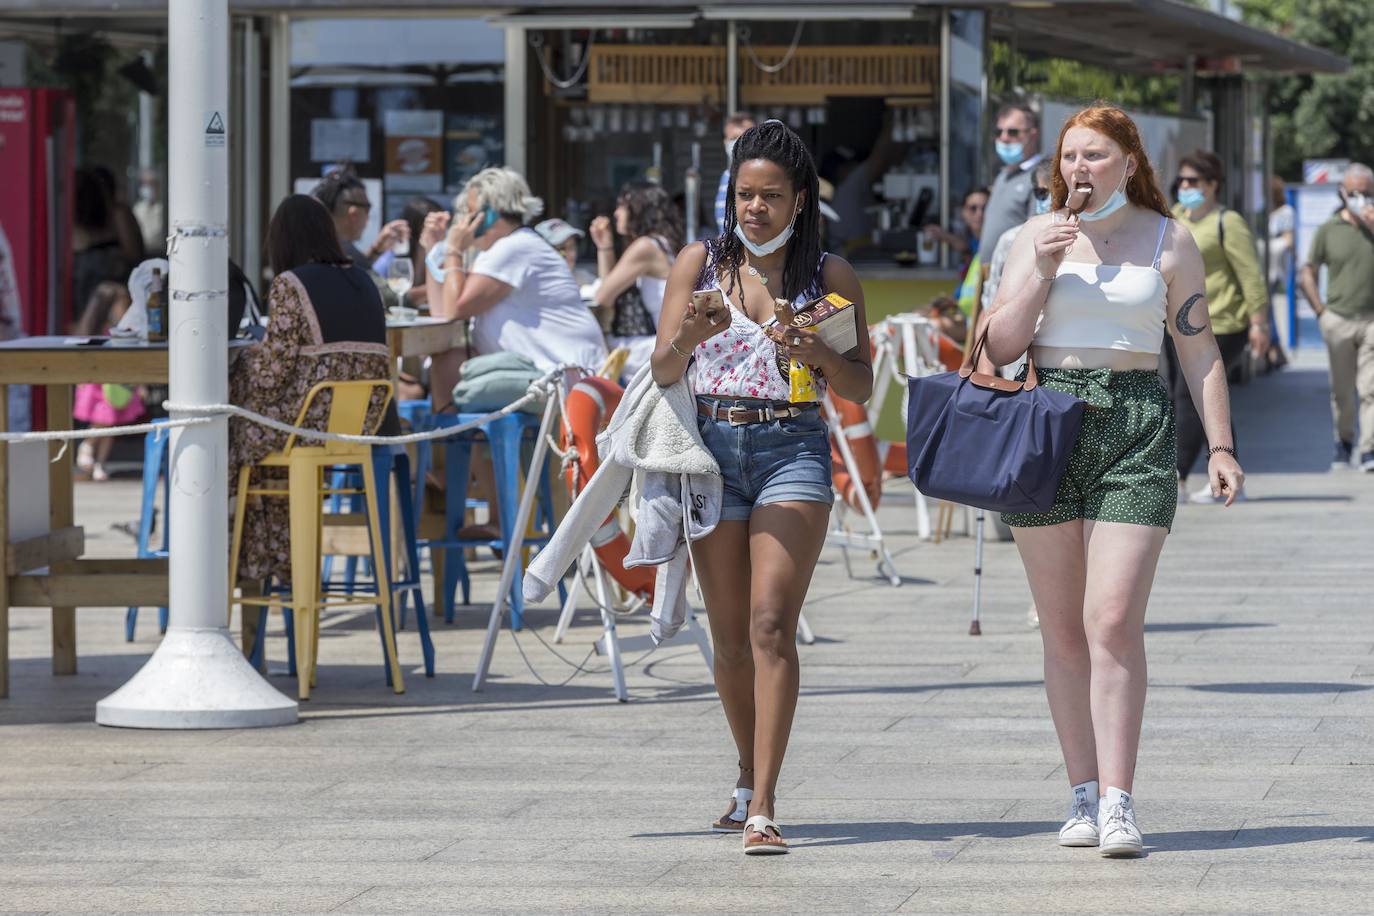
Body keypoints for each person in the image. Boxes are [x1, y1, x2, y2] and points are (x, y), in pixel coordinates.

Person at [986, 104, 1245, 858]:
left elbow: (1198, 353)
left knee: (1110, 619)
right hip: (1045, 420)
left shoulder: (1169, 239)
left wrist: (1222, 446)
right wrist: (1040, 268)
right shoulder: (1033, 237)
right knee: (1063, 628)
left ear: (1128, 163)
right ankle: (1081, 790)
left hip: (1134, 421)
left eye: (1095, 157)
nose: (1079, 171)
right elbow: (1000, 343)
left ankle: (1120, 799)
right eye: (1069, 158)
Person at [652, 120, 873, 855]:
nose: (754, 209)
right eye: (745, 195)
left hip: (792, 449)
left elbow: (862, 389)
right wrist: (693, 331)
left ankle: (765, 806)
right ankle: (744, 775)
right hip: (712, 452)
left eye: (770, 197)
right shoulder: (701, 262)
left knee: (771, 622)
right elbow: (662, 369)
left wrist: (816, 350)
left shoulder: (829, 277)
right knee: (729, 640)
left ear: (800, 200)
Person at [228, 194, 395, 582]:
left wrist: (245, 355)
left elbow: (271, 375)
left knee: (231, 431)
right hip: (359, 428)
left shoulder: (291, 284)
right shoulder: (364, 280)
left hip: (305, 427)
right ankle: (281, 562)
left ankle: (248, 561)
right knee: (258, 434)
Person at [422, 166, 607, 407]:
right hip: (556, 372)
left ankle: (457, 440)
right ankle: (460, 440)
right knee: (446, 361)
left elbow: (454, 308)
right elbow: (441, 312)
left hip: (563, 376)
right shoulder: (514, 246)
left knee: (456, 377)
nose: (462, 221)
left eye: (468, 212)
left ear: (488, 214)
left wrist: (454, 250)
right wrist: (433, 251)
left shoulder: (514, 248)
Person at [1167, 150, 1269, 503]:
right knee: (1210, 401)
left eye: (1193, 181)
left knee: (1189, 397)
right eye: (1181, 180)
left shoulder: (1228, 222)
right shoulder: (1173, 218)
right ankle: (1229, 475)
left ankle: (1176, 476)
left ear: (1212, 185)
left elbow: (1250, 276)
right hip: (1174, 325)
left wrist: (1259, 323)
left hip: (1223, 323)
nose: (1185, 187)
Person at [1299, 162, 1374, 472]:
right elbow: (1308, 271)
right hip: (1338, 318)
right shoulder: (1329, 229)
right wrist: (1320, 311)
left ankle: (1369, 449)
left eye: (1366, 193)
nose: (1359, 198)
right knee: (1342, 390)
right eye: (1353, 192)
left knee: (1370, 388)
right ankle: (1343, 443)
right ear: (1342, 193)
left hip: (1372, 320)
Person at [589, 181, 683, 379]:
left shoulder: (645, 247)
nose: (616, 213)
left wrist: (604, 248)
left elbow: (603, 296)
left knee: (593, 346)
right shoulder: (665, 243)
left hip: (661, 347)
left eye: (622, 206)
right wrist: (604, 246)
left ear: (638, 209)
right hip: (671, 343)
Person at [72, 282, 146, 481]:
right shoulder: (97, 331)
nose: (124, 309)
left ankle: (99, 463)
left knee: (111, 425)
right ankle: (87, 446)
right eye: (121, 304)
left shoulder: (121, 329)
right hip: (97, 384)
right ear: (109, 306)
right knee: (104, 420)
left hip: (115, 383)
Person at [309, 168, 407, 308]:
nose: (368, 219)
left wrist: (376, 250)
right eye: (367, 209)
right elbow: (390, 298)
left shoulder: (318, 244)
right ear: (353, 214)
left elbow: (357, 270)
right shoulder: (340, 249)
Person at [982, 160, 1055, 317]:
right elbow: (992, 304)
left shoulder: (1082, 238)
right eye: (1041, 193)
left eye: (1058, 193)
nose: (1050, 200)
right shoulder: (1012, 239)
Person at [979, 102, 1043, 257]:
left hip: (1015, 275)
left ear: (1033, 135)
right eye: (998, 131)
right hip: (990, 276)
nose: (1004, 138)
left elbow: (1037, 234)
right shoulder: (1003, 175)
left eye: (1013, 132)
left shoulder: (1042, 177)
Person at [715, 112, 756, 235]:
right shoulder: (726, 176)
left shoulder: (761, 176)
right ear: (725, 141)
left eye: (744, 137)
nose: (738, 143)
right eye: (733, 138)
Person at [131, 168, 165, 256]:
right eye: (144, 184)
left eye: (151, 184)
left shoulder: (164, 209)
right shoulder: (138, 208)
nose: (147, 188)